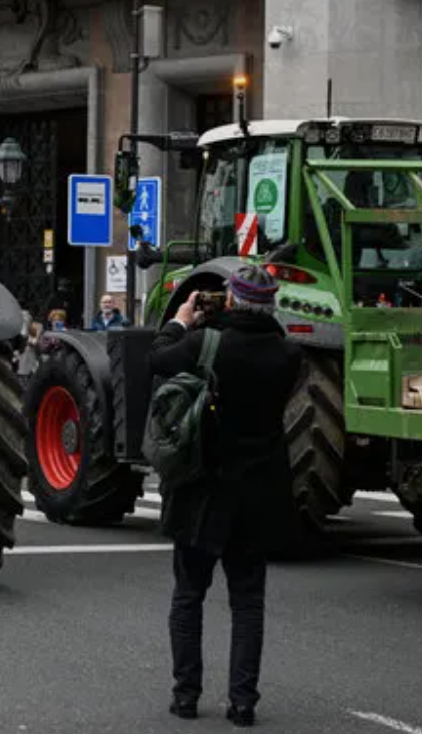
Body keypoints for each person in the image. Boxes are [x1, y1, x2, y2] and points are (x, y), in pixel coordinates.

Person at [148, 265, 302, 727]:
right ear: (272, 304)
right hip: (257, 495)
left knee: (189, 594)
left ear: (231, 300)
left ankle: (186, 696)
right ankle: (242, 702)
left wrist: (182, 320)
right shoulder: (289, 355)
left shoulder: (206, 345)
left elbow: (156, 360)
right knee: (248, 601)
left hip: (202, 489)